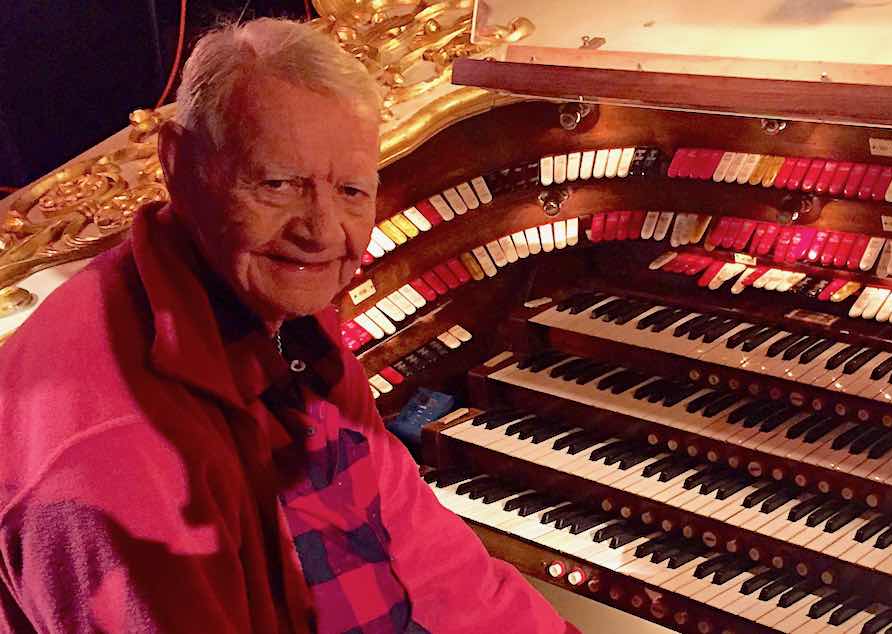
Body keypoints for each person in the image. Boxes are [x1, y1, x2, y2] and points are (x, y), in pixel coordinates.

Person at [0, 18, 575, 634]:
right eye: (278, 184)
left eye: (351, 191)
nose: (321, 232)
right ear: (178, 163)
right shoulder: (113, 458)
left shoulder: (270, 308)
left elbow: (424, 554)